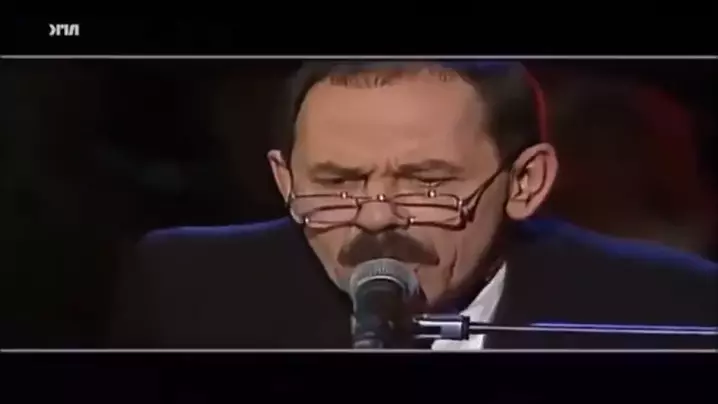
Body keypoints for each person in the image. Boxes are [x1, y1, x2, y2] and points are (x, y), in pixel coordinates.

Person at [108, 61, 717, 350]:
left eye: (426, 183)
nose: (376, 217)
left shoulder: (672, 309)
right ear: (285, 180)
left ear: (526, 183)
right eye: (338, 181)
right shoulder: (190, 288)